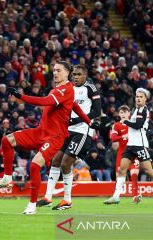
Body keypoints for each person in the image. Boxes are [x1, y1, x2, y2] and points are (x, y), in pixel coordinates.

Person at [0, 61, 94, 214]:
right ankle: (7, 177)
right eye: (54, 70)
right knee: (7, 140)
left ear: (67, 73)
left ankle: (32, 205)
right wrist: (89, 121)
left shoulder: (65, 90)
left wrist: (20, 96)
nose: (55, 73)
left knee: (34, 165)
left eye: (58, 70)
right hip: (41, 132)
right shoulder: (58, 89)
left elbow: (45, 101)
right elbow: (74, 106)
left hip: (54, 138)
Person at [36, 65, 101, 210]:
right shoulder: (68, 87)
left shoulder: (91, 88)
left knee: (66, 163)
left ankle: (67, 200)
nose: (75, 77)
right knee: (56, 160)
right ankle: (47, 197)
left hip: (82, 131)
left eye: (79, 75)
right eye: (74, 75)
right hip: (66, 130)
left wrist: (78, 120)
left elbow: (97, 111)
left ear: (85, 75)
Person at [104, 88, 153, 204]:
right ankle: (116, 196)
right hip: (130, 145)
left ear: (145, 99)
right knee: (122, 169)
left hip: (139, 145)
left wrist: (125, 121)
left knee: (148, 170)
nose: (138, 98)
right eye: (137, 97)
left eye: (141, 97)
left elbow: (138, 125)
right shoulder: (136, 109)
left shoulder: (143, 110)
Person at [110, 105, 141, 203]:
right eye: (121, 112)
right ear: (119, 114)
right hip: (122, 153)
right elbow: (113, 138)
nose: (123, 114)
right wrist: (124, 136)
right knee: (118, 175)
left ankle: (135, 196)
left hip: (133, 153)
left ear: (129, 113)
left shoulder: (133, 124)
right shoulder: (116, 125)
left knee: (134, 174)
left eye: (125, 112)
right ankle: (116, 196)